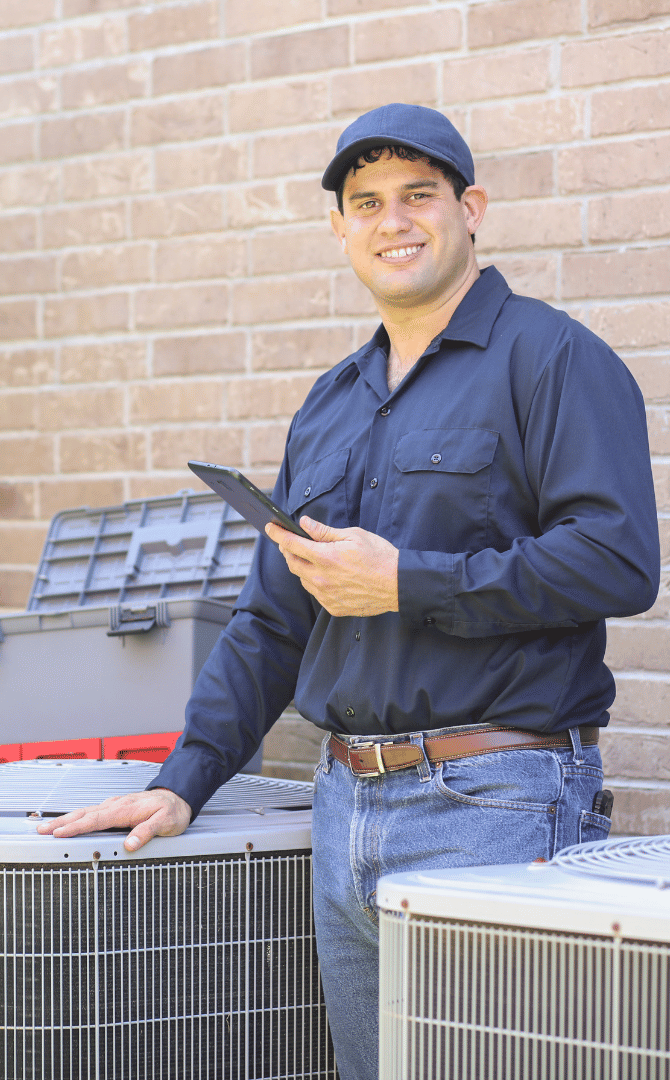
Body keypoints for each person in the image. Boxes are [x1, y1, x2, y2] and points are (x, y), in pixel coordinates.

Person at [37, 103, 660, 1080]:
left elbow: (620, 561)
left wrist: (408, 581)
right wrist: (181, 780)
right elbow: (273, 618)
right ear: (339, 228)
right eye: (364, 201)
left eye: (419, 194)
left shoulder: (553, 360)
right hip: (342, 810)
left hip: (492, 802)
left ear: (471, 209)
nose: (392, 219)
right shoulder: (332, 402)